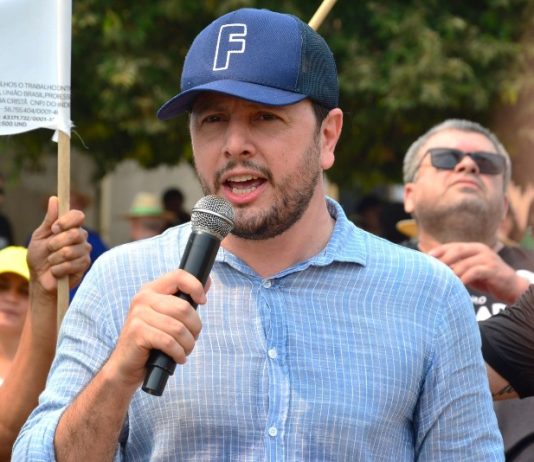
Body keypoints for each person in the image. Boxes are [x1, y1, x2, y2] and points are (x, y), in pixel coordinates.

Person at [14, 8, 503, 460]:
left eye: (265, 117)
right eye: (213, 120)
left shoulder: (428, 295)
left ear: (327, 136)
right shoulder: (118, 282)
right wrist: (116, 379)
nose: (234, 145)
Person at [401, 118, 534, 460]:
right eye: (446, 158)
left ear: (504, 204)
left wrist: (520, 288)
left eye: (487, 163)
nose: (468, 165)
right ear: (409, 195)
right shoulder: (372, 276)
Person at [0, 196, 91, 459]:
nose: (10, 298)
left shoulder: (61, 365)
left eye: (23, 291)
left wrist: (43, 292)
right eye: (2, 287)